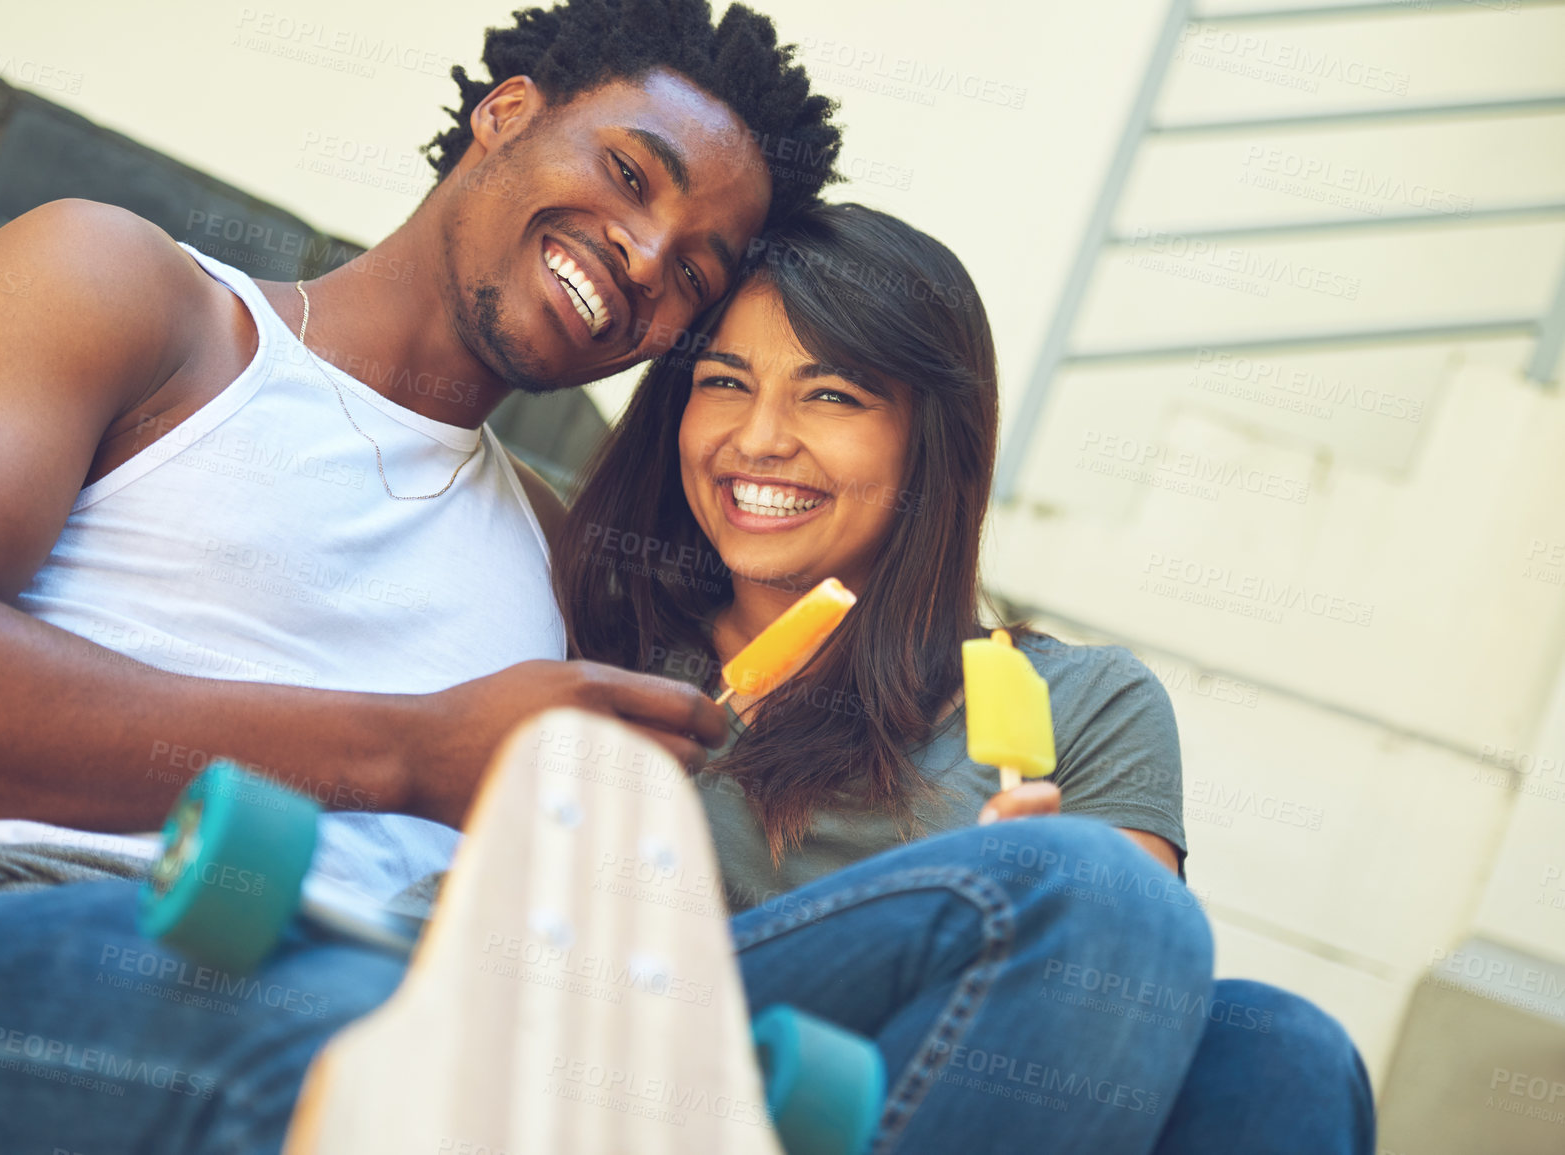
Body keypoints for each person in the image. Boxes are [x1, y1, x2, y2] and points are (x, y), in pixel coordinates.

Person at [0, 1, 842, 1150]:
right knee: (423, 1067)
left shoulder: (568, 567)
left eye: (696, 271)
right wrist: (410, 754)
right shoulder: (138, 299)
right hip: (5, 918)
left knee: (1037, 893)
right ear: (504, 114)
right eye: (627, 173)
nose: (646, 255)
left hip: (403, 989)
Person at [552, 202, 1376, 1153]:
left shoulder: (1084, 703)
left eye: (830, 396)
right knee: (1089, 886)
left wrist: (1013, 879)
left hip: (945, 1098)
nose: (759, 438)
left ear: (929, 440)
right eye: (723, 382)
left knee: (1286, 1047)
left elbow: (1131, 997)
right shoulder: (594, 618)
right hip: (631, 1041)